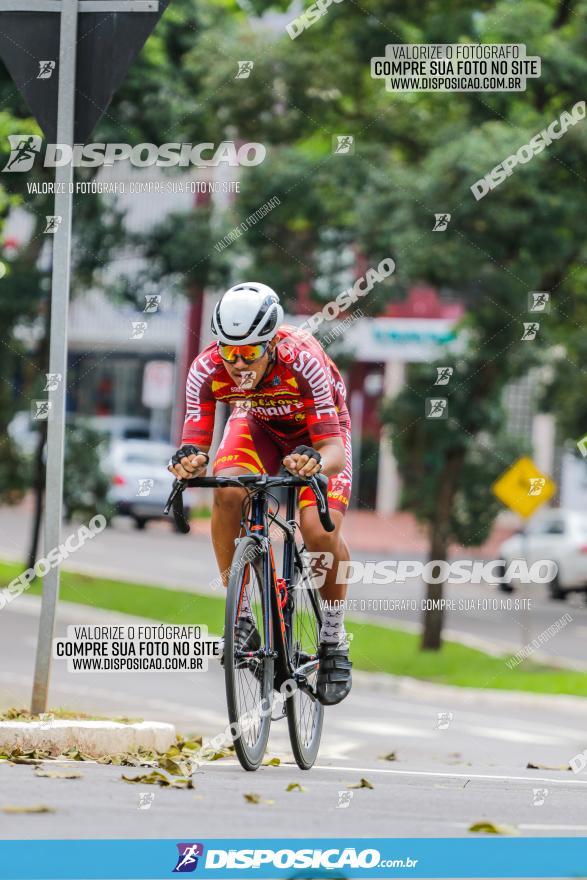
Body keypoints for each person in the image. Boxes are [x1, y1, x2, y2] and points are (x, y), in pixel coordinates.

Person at [168, 282, 352, 705]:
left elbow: (334, 451)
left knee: (317, 530)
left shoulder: (302, 360)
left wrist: (315, 465)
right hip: (257, 426)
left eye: (249, 351)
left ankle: (333, 636)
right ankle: (243, 615)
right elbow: (196, 442)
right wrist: (189, 462)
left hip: (318, 437)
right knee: (227, 489)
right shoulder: (206, 368)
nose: (237, 362)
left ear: (271, 343)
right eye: (228, 350)